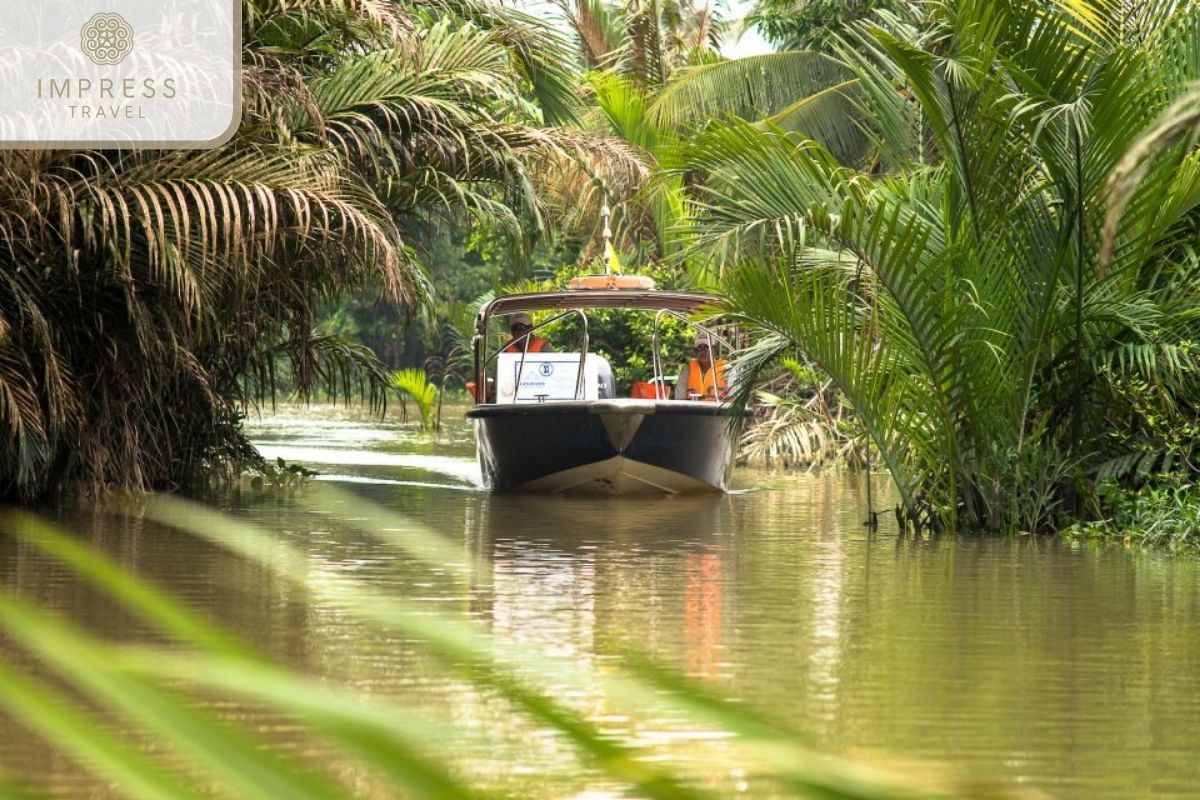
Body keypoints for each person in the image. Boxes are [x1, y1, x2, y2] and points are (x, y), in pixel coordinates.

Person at [675, 332, 728, 401]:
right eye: (699, 348)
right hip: (693, 411)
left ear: (713, 349)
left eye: (706, 347)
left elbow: (735, 398)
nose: (703, 351)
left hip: (720, 411)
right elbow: (679, 400)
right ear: (695, 351)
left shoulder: (726, 369)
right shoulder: (687, 372)